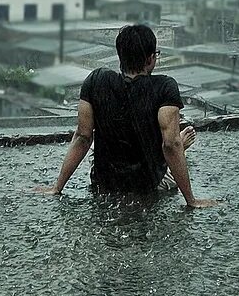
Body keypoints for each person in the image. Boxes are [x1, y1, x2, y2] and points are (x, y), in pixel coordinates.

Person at [34, 24, 219, 208]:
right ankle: (179, 151)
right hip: (149, 185)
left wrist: (57, 187)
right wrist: (191, 201)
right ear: (150, 59)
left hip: (104, 183)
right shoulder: (164, 87)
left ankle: (173, 154)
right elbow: (170, 144)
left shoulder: (95, 80)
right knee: (174, 151)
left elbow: (83, 137)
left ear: (120, 56)